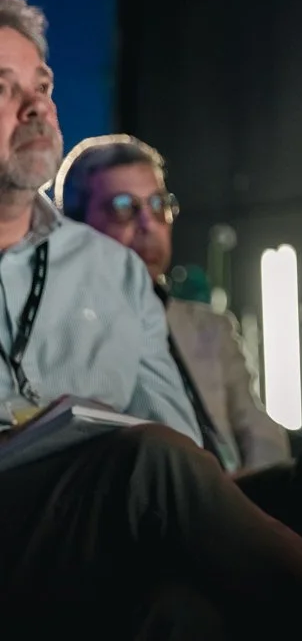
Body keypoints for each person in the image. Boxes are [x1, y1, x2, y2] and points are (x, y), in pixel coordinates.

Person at [0, 0, 302, 637]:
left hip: (110, 523)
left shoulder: (108, 271)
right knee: (146, 458)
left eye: (43, 85)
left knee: (180, 609)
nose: (36, 107)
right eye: (4, 89)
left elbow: (180, 432)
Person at [54, 134, 290, 473]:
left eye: (158, 204)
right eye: (124, 207)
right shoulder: (64, 334)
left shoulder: (211, 327)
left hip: (235, 498)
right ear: (78, 227)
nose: (148, 225)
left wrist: (261, 500)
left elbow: (259, 433)